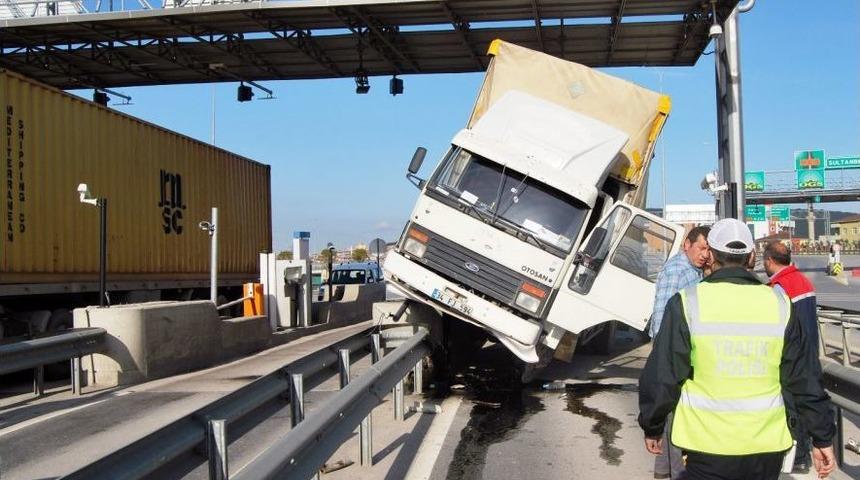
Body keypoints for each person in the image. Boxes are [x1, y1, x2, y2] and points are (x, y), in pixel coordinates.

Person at [639, 218, 836, 480]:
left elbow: (664, 374)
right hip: (766, 448)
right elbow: (804, 377)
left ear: (712, 256)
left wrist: (652, 425)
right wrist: (822, 437)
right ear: (752, 256)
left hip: (706, 447)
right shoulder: (779, 304)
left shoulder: (688, 303)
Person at [646, 225, 710, 479]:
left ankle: (664, 472)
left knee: (673, 417)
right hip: (672, 355)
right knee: (675, 417)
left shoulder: (693, 271)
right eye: (701, 247)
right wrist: (667, 359)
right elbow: (663, 319)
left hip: (678, 354)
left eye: (709, 250)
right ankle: (675, 473)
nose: (705, 254)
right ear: (687, 244)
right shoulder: (678, 271)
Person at [763, 241, 818, 473]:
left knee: (791, 409)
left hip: (790, 355)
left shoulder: (779, 287)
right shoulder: (803, 281)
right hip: (809, 352)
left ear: (769, 260)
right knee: (804, 404)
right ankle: (804, 454)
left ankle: (799, 457)